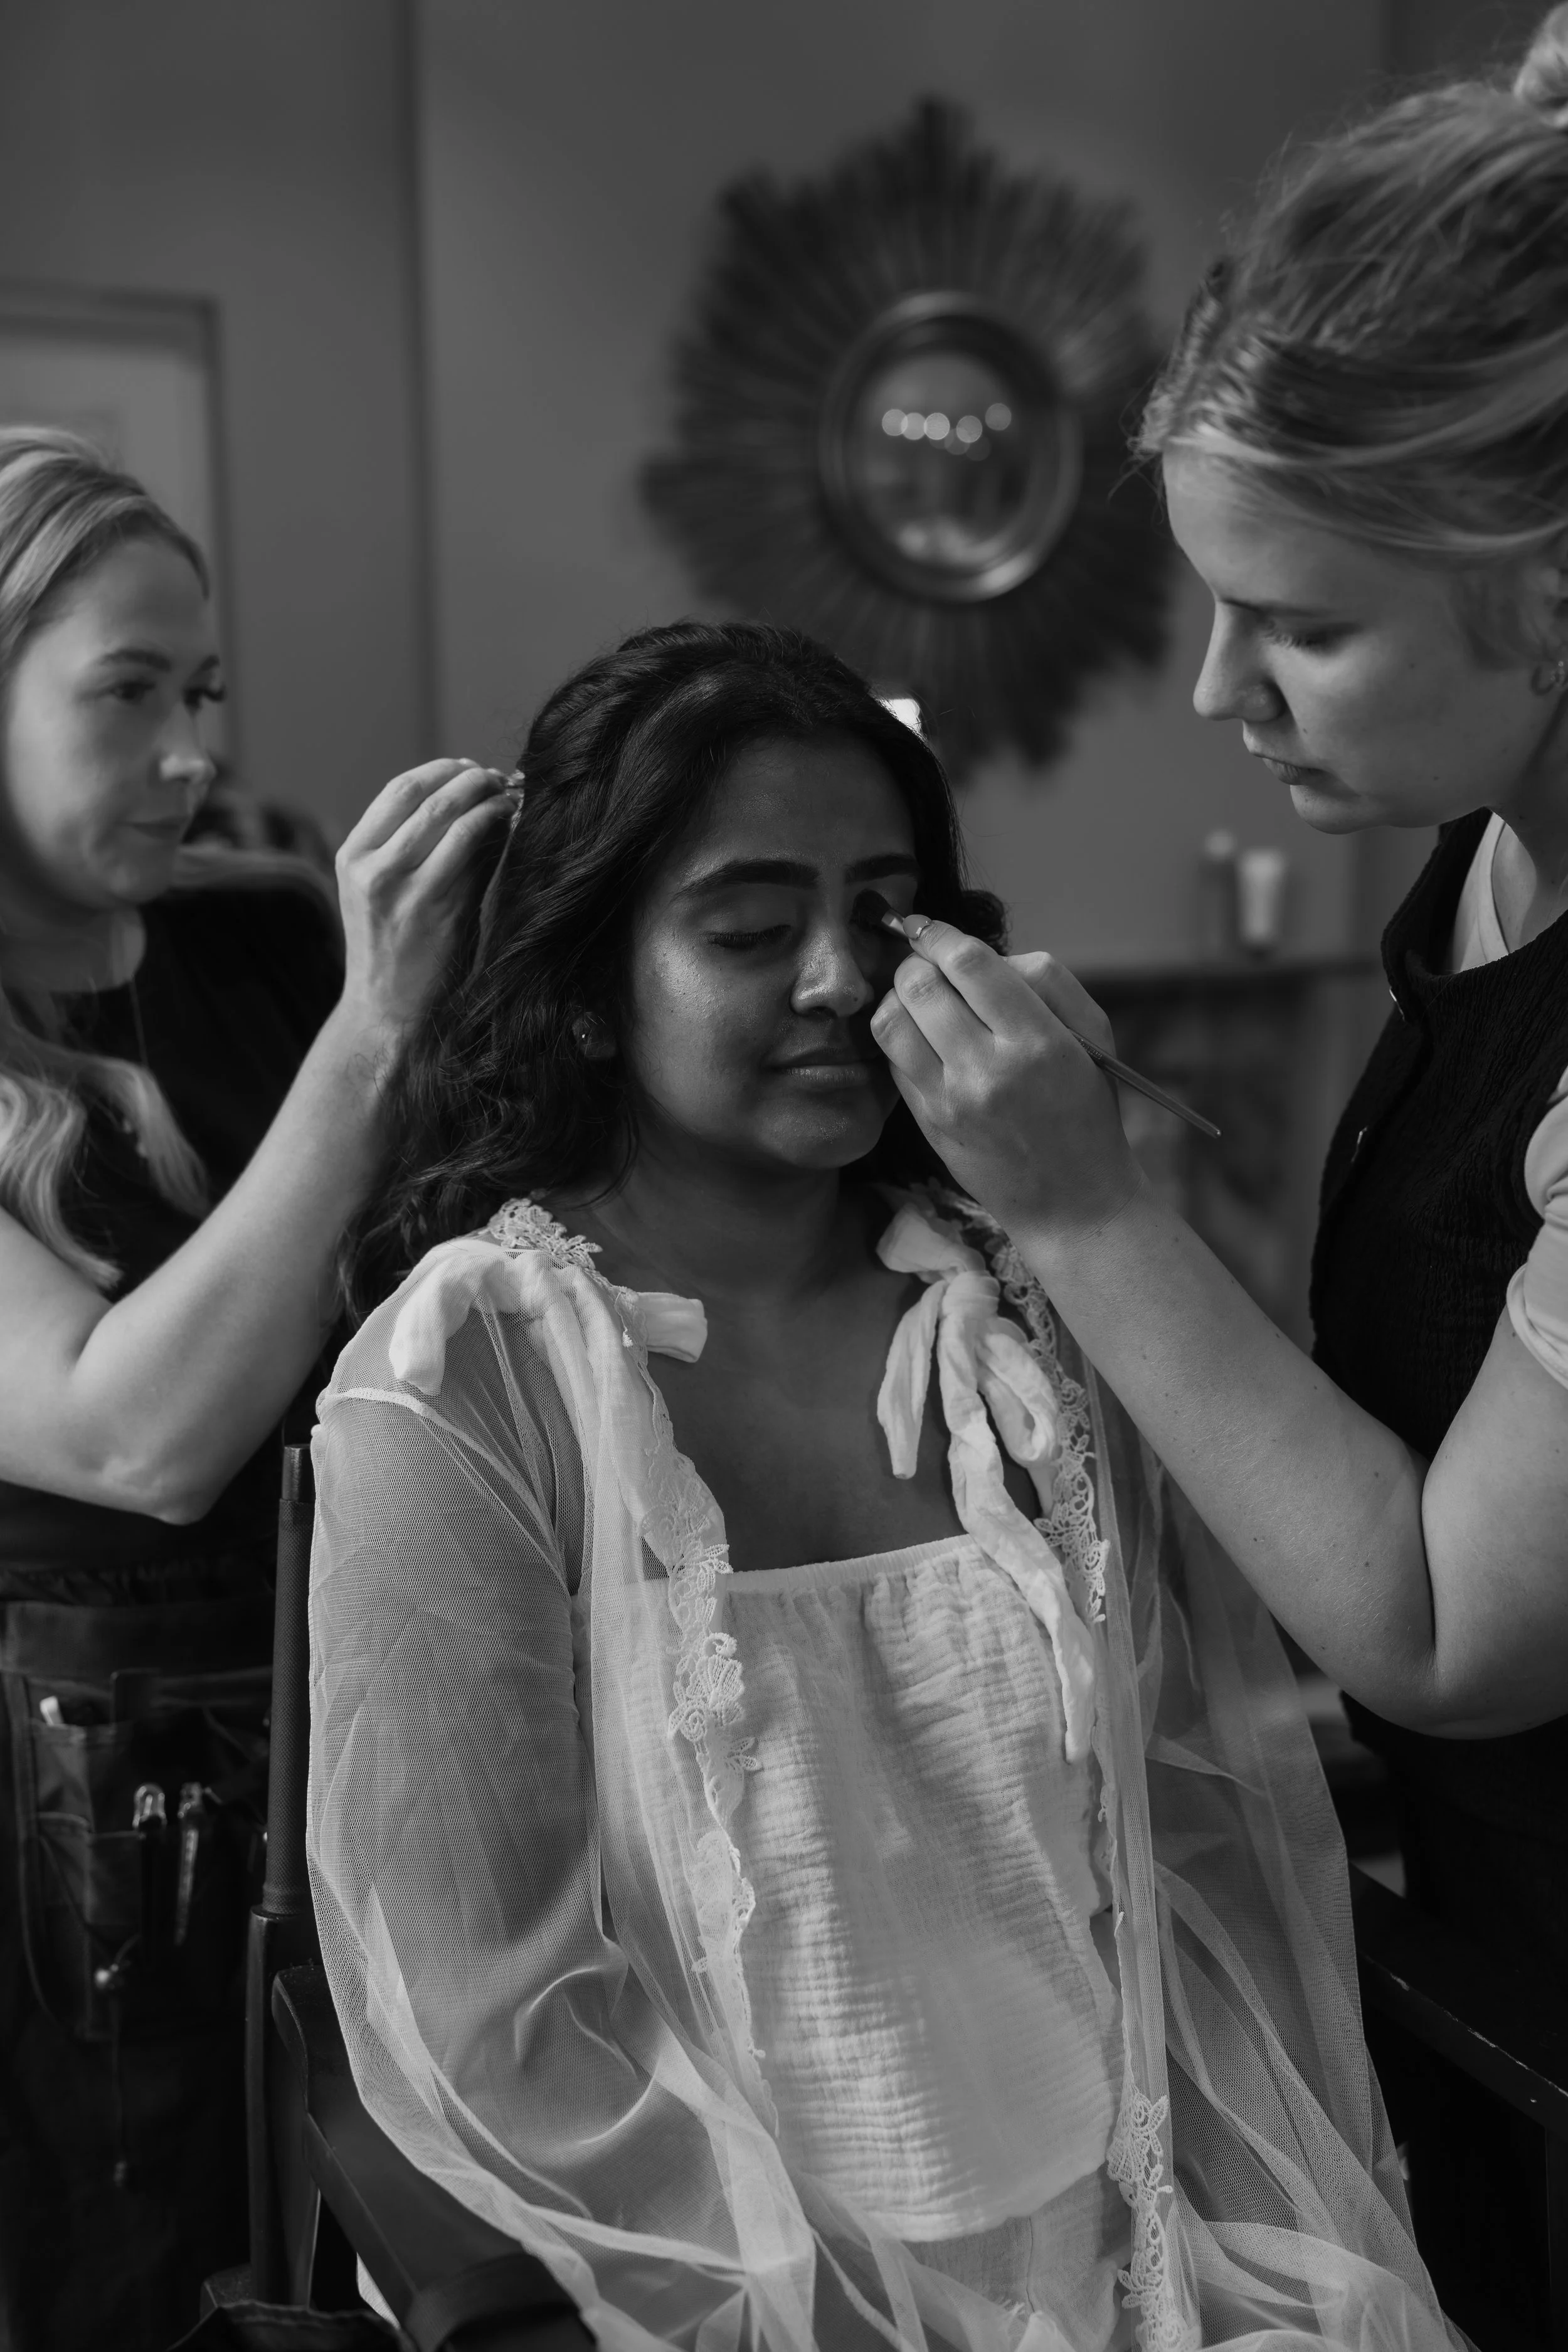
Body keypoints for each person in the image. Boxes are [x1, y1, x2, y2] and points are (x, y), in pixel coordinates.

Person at [310, 618, 1459, 2352]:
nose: (842, 977)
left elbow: (1177, 1849)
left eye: (885, 908)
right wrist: (829, 2311)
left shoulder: (1015, 1323)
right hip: (701, 2281)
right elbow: (497, 2022)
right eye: (750, 928)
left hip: (1111, 2238)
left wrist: (1192, 2255)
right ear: (583, 979)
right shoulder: (470, 1383)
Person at [861, 15, 1568, 2341]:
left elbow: (1452, 1629)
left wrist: (1089, 1219)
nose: (1212, 693)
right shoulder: (1484, 852)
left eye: (1302, 624)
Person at [0, 428, 511, 2350]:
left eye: (201, 689)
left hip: (367, 1699)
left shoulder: (265, 933)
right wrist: (379, 1032)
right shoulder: (334, 984)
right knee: (144, 2283)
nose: (193, 753)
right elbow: (140, 1430)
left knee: (369, 2265)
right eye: (124, 693)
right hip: (90, 1803)